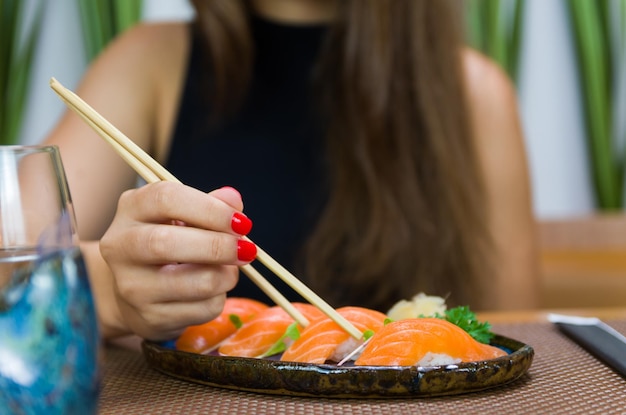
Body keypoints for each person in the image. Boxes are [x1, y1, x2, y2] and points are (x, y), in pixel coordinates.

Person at [41, 0, 539, 342]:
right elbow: (9, 254)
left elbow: (511, 344)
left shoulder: (474, 96)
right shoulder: (149, 63)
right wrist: (106, 290)